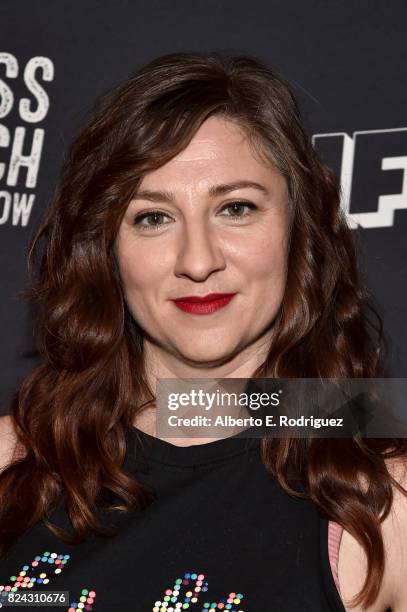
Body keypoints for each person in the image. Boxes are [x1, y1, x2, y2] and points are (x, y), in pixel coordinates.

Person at [0, 51, 406, 612]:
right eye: (152, 217)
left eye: (236, 208)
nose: (197, 261)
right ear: (106, 252)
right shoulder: (13, 459)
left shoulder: (382, 495)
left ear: (298, 231)